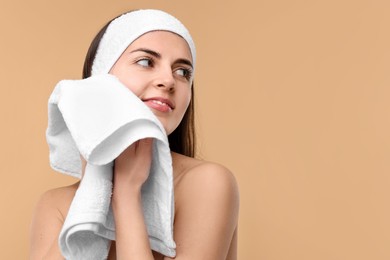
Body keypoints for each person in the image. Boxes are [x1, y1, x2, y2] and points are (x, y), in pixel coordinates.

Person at [30, 9, 239, 260]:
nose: (169, 80)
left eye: (183, 72)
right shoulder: (55, 206)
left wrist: (127, 195)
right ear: (101, 81)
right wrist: (93, 187)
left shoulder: (207, 184)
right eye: (146, 62)